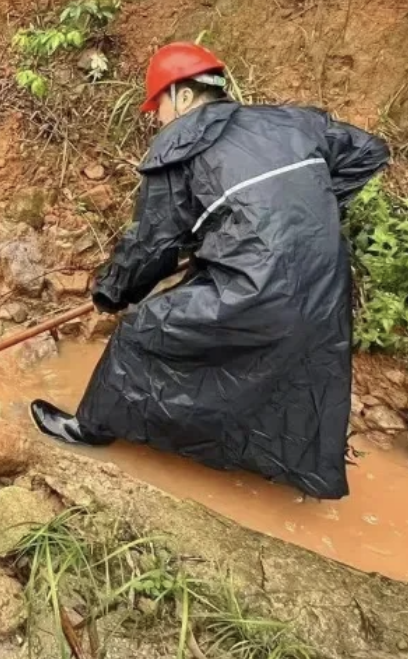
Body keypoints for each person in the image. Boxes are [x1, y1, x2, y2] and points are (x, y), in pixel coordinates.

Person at [30, 41, 389, 499]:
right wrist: (311, 207)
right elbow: (368, 152)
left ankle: (91, 427)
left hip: (256, 287)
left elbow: (151, 245)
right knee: (293, 366)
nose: (156, 116)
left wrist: (112, 293)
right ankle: (290, 470)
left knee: (143, 331)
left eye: (157, 104)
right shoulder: (288, 122)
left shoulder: (180, 144)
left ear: (180, 95)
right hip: (324, 283)